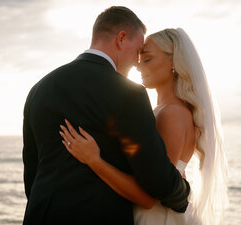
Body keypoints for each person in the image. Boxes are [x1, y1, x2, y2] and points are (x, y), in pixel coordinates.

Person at [22, 6, 190, 225]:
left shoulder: (39, 89)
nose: (137, 61)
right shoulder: (127, 94)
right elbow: (158, 182)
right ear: (121, 39)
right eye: (138, 50)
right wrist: (184, 192)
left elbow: (31, 174)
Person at [60, 28, 229, 225]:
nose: (138, 67)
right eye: (139, 59)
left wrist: (94, 160)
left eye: (147, 59)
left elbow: (150, 196)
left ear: (174, 63)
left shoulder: (172, 113)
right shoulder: (163, 110)